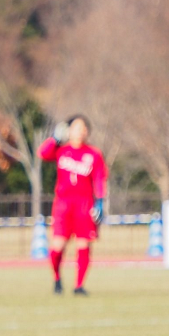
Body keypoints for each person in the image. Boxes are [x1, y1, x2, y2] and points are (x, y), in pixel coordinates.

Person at [38, 114, 106, 296]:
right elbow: (43, 154)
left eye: (84, 128)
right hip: (63, 203)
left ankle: (79, 285)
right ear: (68, 130)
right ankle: (57, 279)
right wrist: (54, 139)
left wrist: (100, 201)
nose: (80, 131)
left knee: (83, 245)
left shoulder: (93, 154)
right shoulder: (61, 150)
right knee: (57, 246)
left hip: (85, 204)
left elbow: (99, 178)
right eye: (76, 127)